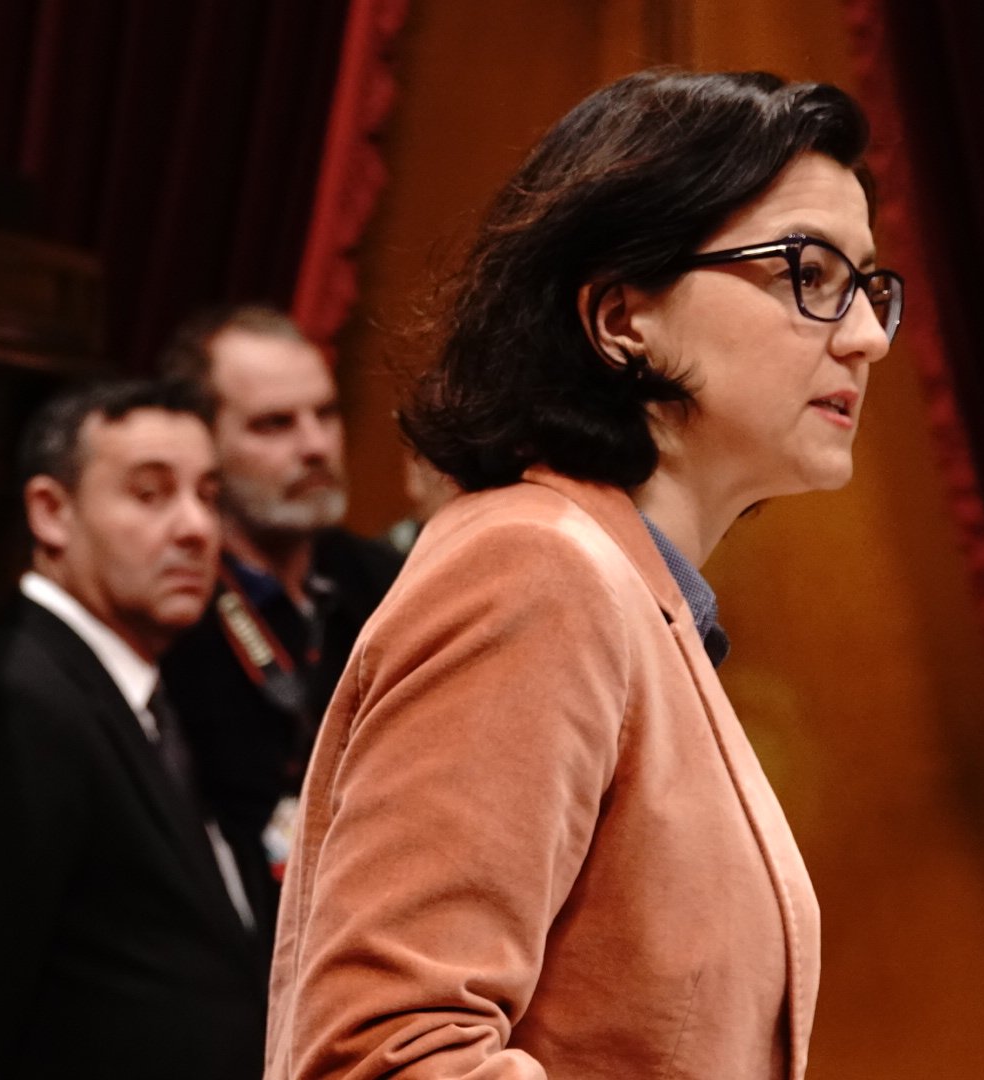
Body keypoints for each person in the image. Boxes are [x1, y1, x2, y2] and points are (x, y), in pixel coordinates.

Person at [264, 70, 902, 1079]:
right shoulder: (534, 570)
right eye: (808, 271)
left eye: (869, 288)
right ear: (620, 317)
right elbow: (388, 1052)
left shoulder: (635, 595)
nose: (865, 336)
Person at [0, 380, 268, 1077]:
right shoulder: (9, 702)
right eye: (151, 494)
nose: (196, 527)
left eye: (209, 495)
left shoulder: (141, 690)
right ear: (51, 512)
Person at [156, 305, 401, 915]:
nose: (315, 446)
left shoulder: (392, 584)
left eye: (326, 414)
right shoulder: (166, 609)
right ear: (201, 442)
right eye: (274, 424)